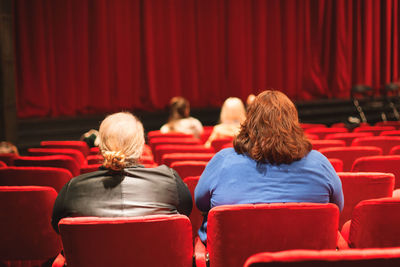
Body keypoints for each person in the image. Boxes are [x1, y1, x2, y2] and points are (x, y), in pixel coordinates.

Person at [195, 90, 344, 244]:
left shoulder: (222, 160)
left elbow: (201, 202)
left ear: (249, 122)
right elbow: (337, 209)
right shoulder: (320, 162)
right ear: (293, 123)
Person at [52, 112, 192, 233]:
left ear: (100, 147)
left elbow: (59, 229)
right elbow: (186, 213)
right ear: (141, 147)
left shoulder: (73, 189)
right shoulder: (170, 181)